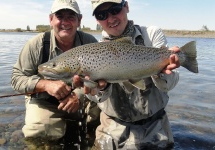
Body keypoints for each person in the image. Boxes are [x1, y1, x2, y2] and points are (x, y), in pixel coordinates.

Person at [73, 0, 181, 149]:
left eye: (115, 10)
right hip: (111, 129)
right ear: (97, 19)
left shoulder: (151, 34)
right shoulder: (94, 52)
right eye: (102, 14)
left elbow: (171, 82)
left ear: (127, 7)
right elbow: (98, 97)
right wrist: (98, 90)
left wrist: (159, 72)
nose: (110, 19)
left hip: (155, 128)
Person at [11, 0, 100, 144]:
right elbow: (16, 79)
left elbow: (99, 81)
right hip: (46, 101)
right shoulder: (36, 45)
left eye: (71, 16)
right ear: (51, 19)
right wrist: (45, 85)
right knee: (39, 133)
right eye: (60, 16)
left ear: (79, 20)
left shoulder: (89, 42)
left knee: (99, 121)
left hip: (80, 99)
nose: (65, 22)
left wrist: (78, 96)